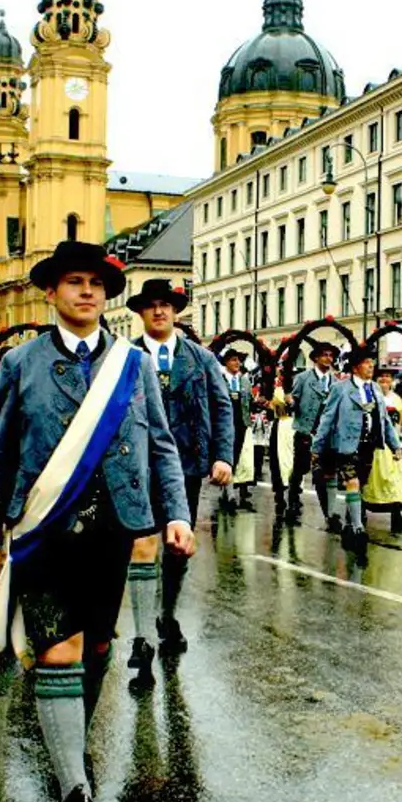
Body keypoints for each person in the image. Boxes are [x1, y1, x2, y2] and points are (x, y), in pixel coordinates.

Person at [0, 241, 191, 802]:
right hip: (45, 529)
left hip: (114, 527)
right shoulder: (21, 365)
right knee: (59, 650)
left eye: (95, 283)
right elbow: (0, 457)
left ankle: (71, 747)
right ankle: (74, 788)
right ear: (51, 291)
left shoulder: (132, 365)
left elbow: (162, 445)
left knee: (96, 647)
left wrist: (175, 513)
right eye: (74, 281)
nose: (87, 291)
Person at [124, 279, 233, 688]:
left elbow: (222, 407)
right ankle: (142, 641)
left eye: (166, 305)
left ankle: (167, 615)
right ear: (141, 313)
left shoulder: (200, 359)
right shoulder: (126, 357)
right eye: (151, 306)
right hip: (135, 467)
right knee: (140, 543)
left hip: (185, 465)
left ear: (176, 312)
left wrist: (222, 455)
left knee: (177, 546)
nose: (159, 312)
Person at [311, 347, 400, 553]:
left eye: (372, 362)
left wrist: (395, 445)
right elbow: (327, 418)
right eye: (366, 363)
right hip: (347, 445)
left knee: (360, 485)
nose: (371, 366)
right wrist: (317, 447)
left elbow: (384, 420)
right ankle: (359, 528)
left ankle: (351, 523)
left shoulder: (375, 388)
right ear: (355, 368)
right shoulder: (341, 389)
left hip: (369, 444)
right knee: (352, 482)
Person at [288, 343, 340, 528]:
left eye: (331, 355)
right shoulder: (303, 378)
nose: (328, 359)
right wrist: (290, 402)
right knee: (300, 468)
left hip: (326, 435)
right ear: (316, 358)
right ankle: (292, 500)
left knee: (324, 474)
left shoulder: (336, 382)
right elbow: (294, 400)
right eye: (324, 355)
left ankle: (330, 513)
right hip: (306, 431)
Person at [361, 367, 402, 532]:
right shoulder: (370, 395)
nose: (384, 380)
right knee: (370, 479)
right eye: (381, 376)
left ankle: (396, 516)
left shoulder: (396, 398)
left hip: (392, 444)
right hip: (375, 444)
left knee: (394, 481)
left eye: (388, 377)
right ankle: (360, 512)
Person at [218, 349, 255, 513]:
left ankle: (227, 491)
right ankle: (230, 494)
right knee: (227, 457)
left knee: (237, 457)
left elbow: (250, 402)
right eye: (233, 360)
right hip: (224, 424)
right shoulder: (219, 379)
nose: (237, 363)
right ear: (226, 362)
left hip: (241, 424)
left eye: (239, 360)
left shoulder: (244, 381)